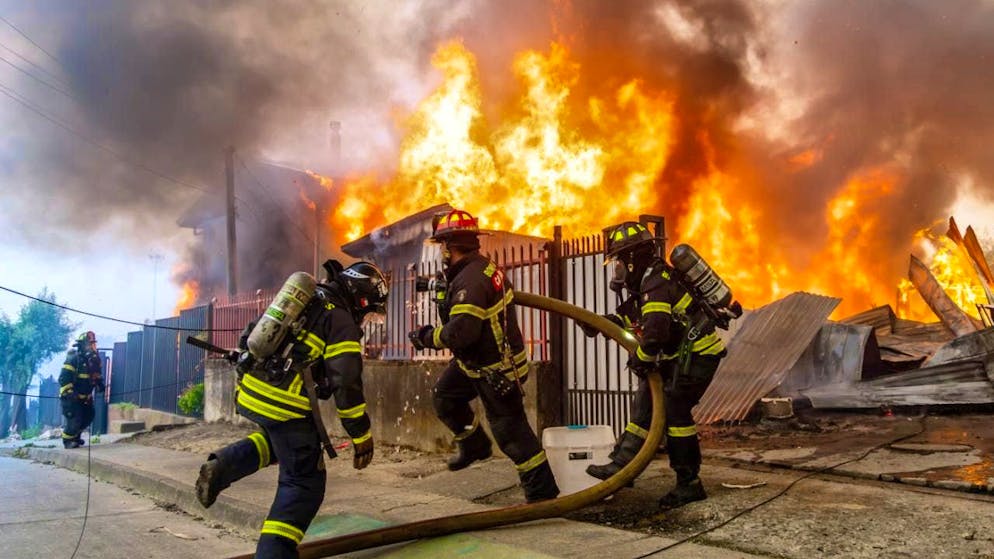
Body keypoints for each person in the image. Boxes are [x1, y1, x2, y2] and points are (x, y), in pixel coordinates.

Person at [195, 260, 388, 559]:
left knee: (286, 444)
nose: (365, 318)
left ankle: (222, 467)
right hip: (285, 404)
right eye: (368, 310)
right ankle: (275, 553)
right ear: (361, 300)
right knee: (304, 483)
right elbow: (346, 382)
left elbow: (250, 335)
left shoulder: (302, 300)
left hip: (251, 393)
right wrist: (360, 434)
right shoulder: (341, 321)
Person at [408, 209, 559, 503]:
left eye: (442, 247)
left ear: (451, 246)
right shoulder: (476, 271)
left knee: (512, 435)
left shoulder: (471, 280)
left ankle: (543, 497)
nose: (441, 254)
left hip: (497, 370)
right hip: (473, 363)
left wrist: (426, 337)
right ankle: (474, 445)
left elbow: (461, 333)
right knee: (445, 397)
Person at [581, 221, 726, 509]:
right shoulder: (648, 280)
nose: (617, 270)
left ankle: (689, 483)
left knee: (675, 414)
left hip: (698, 356)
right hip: (679, 357)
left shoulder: (656, 281)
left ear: (633, 258)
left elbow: (655, 332)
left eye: (619, 262)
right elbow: (634, 317)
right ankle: (623, 466)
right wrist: (598, 324)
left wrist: (642, 360)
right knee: (645, 402)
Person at [59, 331, 104, 449]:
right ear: (82, 345)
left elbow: (96, 376)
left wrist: (99, 383)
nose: (92, 347)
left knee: (88, 416)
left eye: (93, 344)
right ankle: (67, 441)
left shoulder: (94, 361)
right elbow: (63, 378)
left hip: (86, 398)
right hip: (71, 397)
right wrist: (70, 392)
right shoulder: (74, 359)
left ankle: (76, 438)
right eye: (89, 344)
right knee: (75, 419)